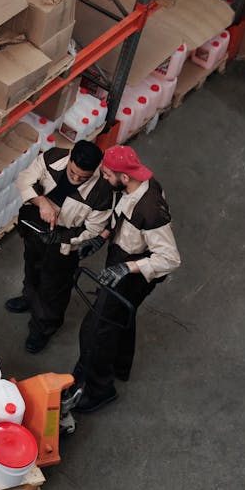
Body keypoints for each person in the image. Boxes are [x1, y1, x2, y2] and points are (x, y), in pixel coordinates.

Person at [66, 145, 180, 414]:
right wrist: (101, 238)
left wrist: (126, 269)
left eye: (107, 175)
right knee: (121, 319)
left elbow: (170, 259)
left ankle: (99, 389)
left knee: (95, 331)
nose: (104, 178)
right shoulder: (134, 186)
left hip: (135, 273)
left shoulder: (150, 210)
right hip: (122, 257)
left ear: (125, 176)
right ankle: (120, 366)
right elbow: (122, 218)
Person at [6, 140, 114, 354]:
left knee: (54, 286)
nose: (75, 179)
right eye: (73, 173)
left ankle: (44, 326)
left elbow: (92, 230)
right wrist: (42, 202)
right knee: (32, 267)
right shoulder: (53, 157)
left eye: (83, 177)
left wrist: (60, 237)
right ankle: (29, 297)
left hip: (65, 244)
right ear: (71, 155)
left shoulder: (101, 192)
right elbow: (24, 179)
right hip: (36, 228)